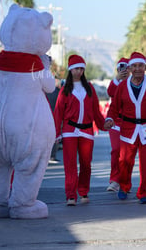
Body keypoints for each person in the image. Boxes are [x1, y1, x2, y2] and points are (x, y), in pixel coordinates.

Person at [104, 52, 146, 204]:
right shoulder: (123, 86)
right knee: (124, 161)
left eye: (140, 66)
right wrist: (109, 118)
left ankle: (143, 192)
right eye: (134, 66)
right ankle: (124, 186)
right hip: (128, 128)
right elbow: (114, 107)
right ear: (129, 68)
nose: (137, 69)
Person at [54, 54, 106, 206]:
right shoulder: (65, 90)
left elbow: (96, 111)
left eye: (81, 69)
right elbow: (58, 113)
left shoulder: (89, 88)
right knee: (70, 164)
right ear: (70, 70)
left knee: (86, 164)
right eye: (76, 69)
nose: (79, 72)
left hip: (87, 131)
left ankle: (83, 191)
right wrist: (57, 133)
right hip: (70, 130)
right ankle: (71, 195)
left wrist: (104, 125)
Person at [105, 57, 130, 192]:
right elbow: (110, 92)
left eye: (126, 68)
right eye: (121, 68)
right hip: (115, 121)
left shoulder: (134, 82)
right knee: (116, 150)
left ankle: (125, 181)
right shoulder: (115, 83)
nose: (124, 71)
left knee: (127, 154)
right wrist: (117, 79)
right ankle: (114, 180)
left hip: (129, 122)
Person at [47, 75, 62, 164]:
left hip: (46, 116)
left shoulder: (45, 92)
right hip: (55, 117)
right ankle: (52, 155)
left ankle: (47, 155)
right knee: (54, 136)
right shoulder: (58, 92)